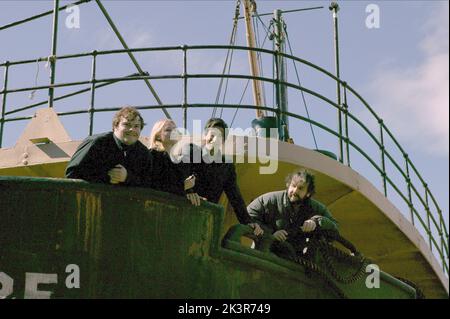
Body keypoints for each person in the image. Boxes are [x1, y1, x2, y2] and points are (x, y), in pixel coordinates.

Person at [189, 118, 262, 235]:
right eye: (212, 134)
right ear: (205, 135)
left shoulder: (226, 166)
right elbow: (179, 178)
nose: (214, 139)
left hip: (205, 220)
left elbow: (235, 197)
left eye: (219, 136)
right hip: (186, 210)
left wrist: (248, 221)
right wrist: (189, 191)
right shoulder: (192, 153)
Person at [247, 169, 339, 260]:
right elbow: (248, 215)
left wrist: (316, 222)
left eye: (300, 188)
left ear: (308, 193)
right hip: (262, 255)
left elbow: (334, 228)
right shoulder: (270, 200)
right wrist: (270, 234)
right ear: (288, 185)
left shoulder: (316, 208)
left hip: (295, 260)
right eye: (293, 186)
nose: (294, 191)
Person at [65, 106, 153, 187]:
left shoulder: (143, 154)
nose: (132, 129)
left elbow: (149, 184)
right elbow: (72, 173)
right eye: (127, 125)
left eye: (136, 126)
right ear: (115, 126)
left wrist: (127, 177)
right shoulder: (97, 143)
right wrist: (106, 177)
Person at [149, 119, 200, 205]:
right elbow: (154, 185)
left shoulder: (182, 161)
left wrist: (190, 193)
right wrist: (182, 186)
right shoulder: (153, 155)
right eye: (168, 130)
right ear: (158, 136)